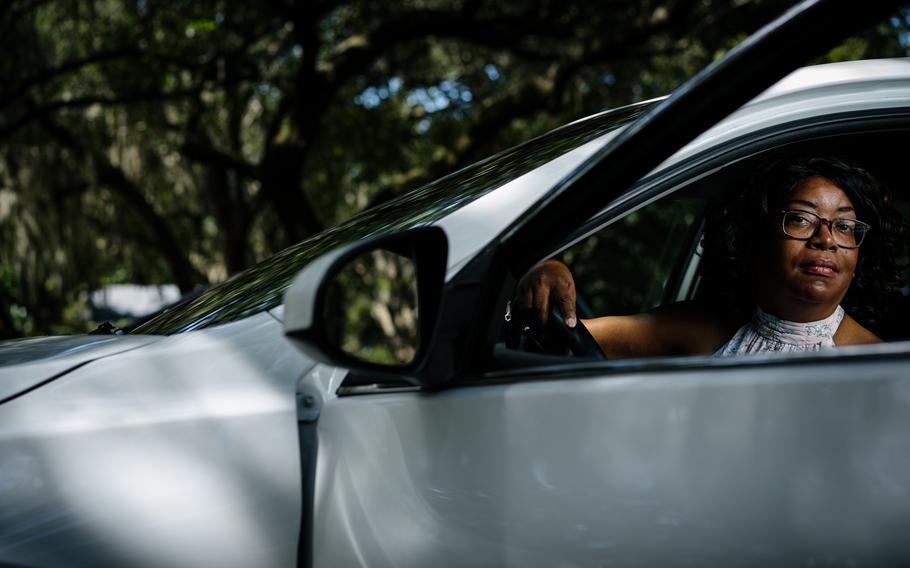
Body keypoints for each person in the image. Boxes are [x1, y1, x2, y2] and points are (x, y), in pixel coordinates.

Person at [513, 156, 906, 358]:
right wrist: (546, 269)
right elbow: (566, 335)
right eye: (801, 219)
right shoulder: (698, 328)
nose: (826, 239)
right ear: (757, 236)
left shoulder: (882, 363)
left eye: (845, 226)